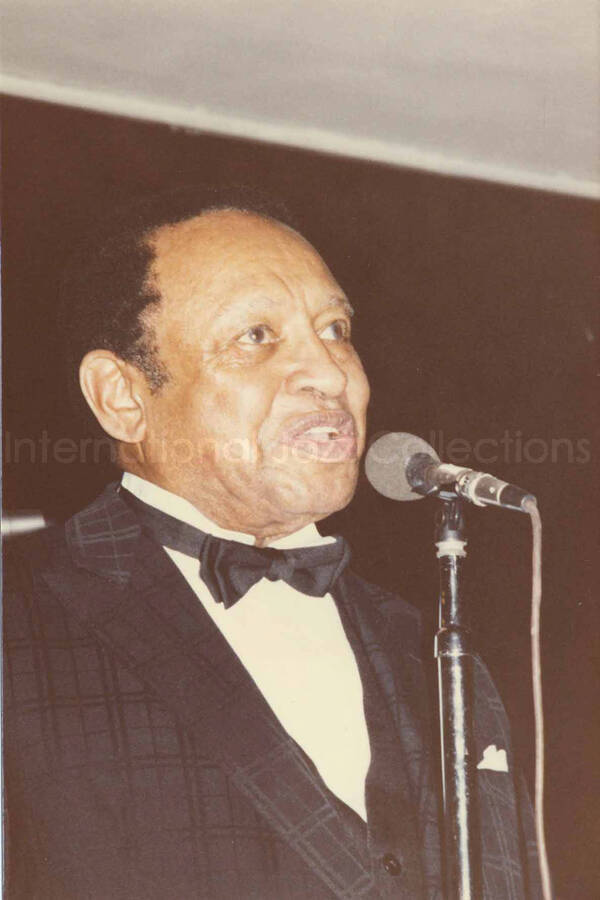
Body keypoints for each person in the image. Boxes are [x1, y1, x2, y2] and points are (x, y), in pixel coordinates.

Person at [3, 189, 540, 899]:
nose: (330, 372)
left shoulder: (435, 648)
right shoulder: (19, 617)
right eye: (257, 336)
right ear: (122, 397)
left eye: (336, 328)